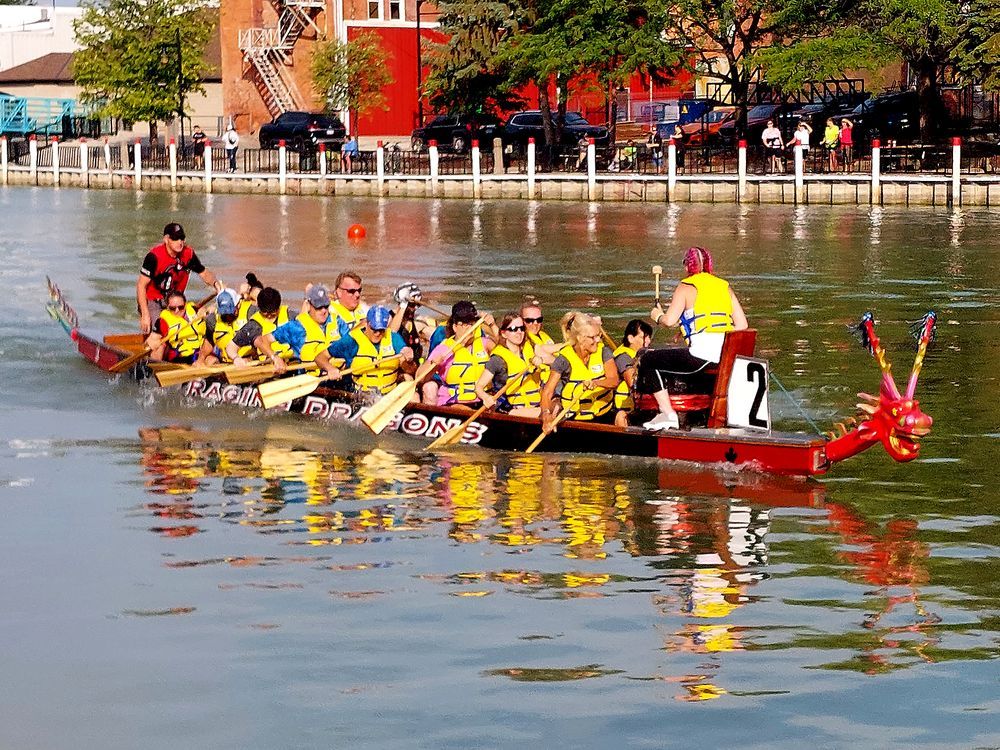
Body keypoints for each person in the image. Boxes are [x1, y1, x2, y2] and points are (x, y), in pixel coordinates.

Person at [642, 246, 748, 430]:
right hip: (725, 358)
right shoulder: (724, 286)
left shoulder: (686, 286)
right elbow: (742, 325)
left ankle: (667, 414)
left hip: (702, 357)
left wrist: (657, 315)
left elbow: (669, 320)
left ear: (687, 267)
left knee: (648, 360)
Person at [136, 222, 222, 335]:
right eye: (175, 239)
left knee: (195, 327)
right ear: (166, 239)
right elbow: (141, 286)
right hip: (153, 301)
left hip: (176, 302)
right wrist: (145, 314)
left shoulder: (188, 254)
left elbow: (204, 273)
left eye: (182, 238)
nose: (180, 242)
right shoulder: (154, 257)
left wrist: (216, 285)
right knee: (161, 330)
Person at [539, 311, 620, 430]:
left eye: (598, 335)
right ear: (579, 338)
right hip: (575, 418)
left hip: (604, 414)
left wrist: (596, 383)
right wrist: (546, 415)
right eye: (592, 337)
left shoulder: (604, 352)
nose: (598, 340)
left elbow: (614, 380)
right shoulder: (563, 360)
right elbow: (547, 392)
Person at [315, 304, 415, 395]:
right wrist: (330, 369)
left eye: (381, 330)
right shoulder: (351, 340)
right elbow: (320, 358)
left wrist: (409, 361)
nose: (377, 333)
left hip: (389, 395)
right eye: (374, 329)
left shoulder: (394, 338)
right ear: (367, 323)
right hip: (361, 396)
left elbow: (411, 370)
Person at [254, 283, 339, 374]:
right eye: (318, 307)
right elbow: (260, 341)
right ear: (308, 305)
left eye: (326, 306)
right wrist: (276, 358)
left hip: (340, 375)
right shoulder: (296, 328)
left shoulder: (338, 322)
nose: (323, 311)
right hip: (312, 379)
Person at [421, 301, 494, 406]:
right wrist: (433, 364)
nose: (469, 328)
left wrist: (492, 325)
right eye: (464, 324)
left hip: (483, 401)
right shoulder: (444, 348)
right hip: (454, 402)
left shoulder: (485, 343)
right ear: (455, 327)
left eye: (472, 324)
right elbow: (420, 376)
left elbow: (506, 350)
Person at [474, 311, 542, 417]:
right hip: (509, 408)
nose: (519, 332)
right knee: (545, 413)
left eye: (522, 328)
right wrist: (486, 397)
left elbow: (552, 357)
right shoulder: (497, 360)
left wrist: (540, 359)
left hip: (534, 405)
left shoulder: (530, 350)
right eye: (514, 329)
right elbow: (479, 386)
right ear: (504, 333)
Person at [229, 286, 292, 365]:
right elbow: (231, 347)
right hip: (268, 366)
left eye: (272, 313)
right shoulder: (253, 326)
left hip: (291, 362)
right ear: (259, 307)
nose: (269, 316)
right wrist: (236, 358)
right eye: (265, 312)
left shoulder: (291, 316)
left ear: (278, 307)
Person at [144, 290, 207, 363]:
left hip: (202, 354)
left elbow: (206, 311)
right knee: (158, 347)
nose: (177, 311)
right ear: (167, 307)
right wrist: (152, 344)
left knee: (213, 360)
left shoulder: (195, 311)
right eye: (173, 308)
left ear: (185, 304)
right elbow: (149, 342)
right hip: (181, 358)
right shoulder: (163, 321)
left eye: (180, 307)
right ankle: (156, 371)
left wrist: (207, 311)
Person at [612, 319, 653, 428]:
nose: (648, 341)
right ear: (631, 338)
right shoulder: (623, 357)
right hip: (624, 410)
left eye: (649, 337)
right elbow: (632, 382)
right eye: (643, 337)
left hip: (640, 408)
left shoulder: (642, 356)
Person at [198, 288, 243, 365]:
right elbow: (209, 342)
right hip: (225, 361)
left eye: (231, 312)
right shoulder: (212, 320)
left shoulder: (251, 313)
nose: (228, 316)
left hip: (246, 359)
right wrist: (200, 360)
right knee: (210, 361)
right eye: (224, 314)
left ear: (238, 304)